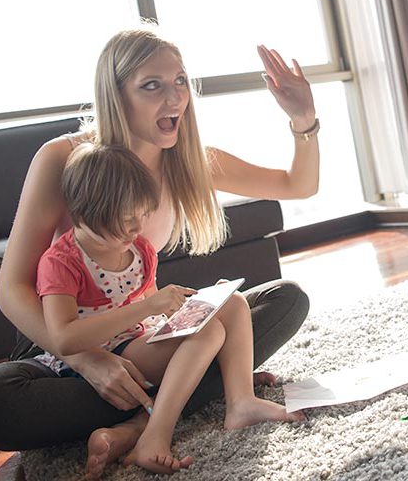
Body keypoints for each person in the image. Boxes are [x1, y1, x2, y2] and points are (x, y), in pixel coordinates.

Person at [0, 27, 319, 478]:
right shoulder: (65, 159)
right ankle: (196, 391)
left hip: (145, 335)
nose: (175, 97)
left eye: (180, 81)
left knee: (285, 299)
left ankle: (148, 416)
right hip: (65, 339)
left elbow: (298, 185)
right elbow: (11, 290)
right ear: (116, 94)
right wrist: (90, 362)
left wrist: (303, 119)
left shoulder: (189, 160)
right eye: (152, 85)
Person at [37, 143, 302, 474]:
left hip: (138, 339)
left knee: (231, 304)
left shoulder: (139, 250)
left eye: (141, 215)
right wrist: (152, 307)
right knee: (210, 334)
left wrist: (191, 309)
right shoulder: (62, 262)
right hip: (101, 357)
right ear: (88, 210)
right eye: (126, 219)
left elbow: (148, 304)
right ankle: (153, 436)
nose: (136, 227)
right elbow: (64, 339)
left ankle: (241, 401)